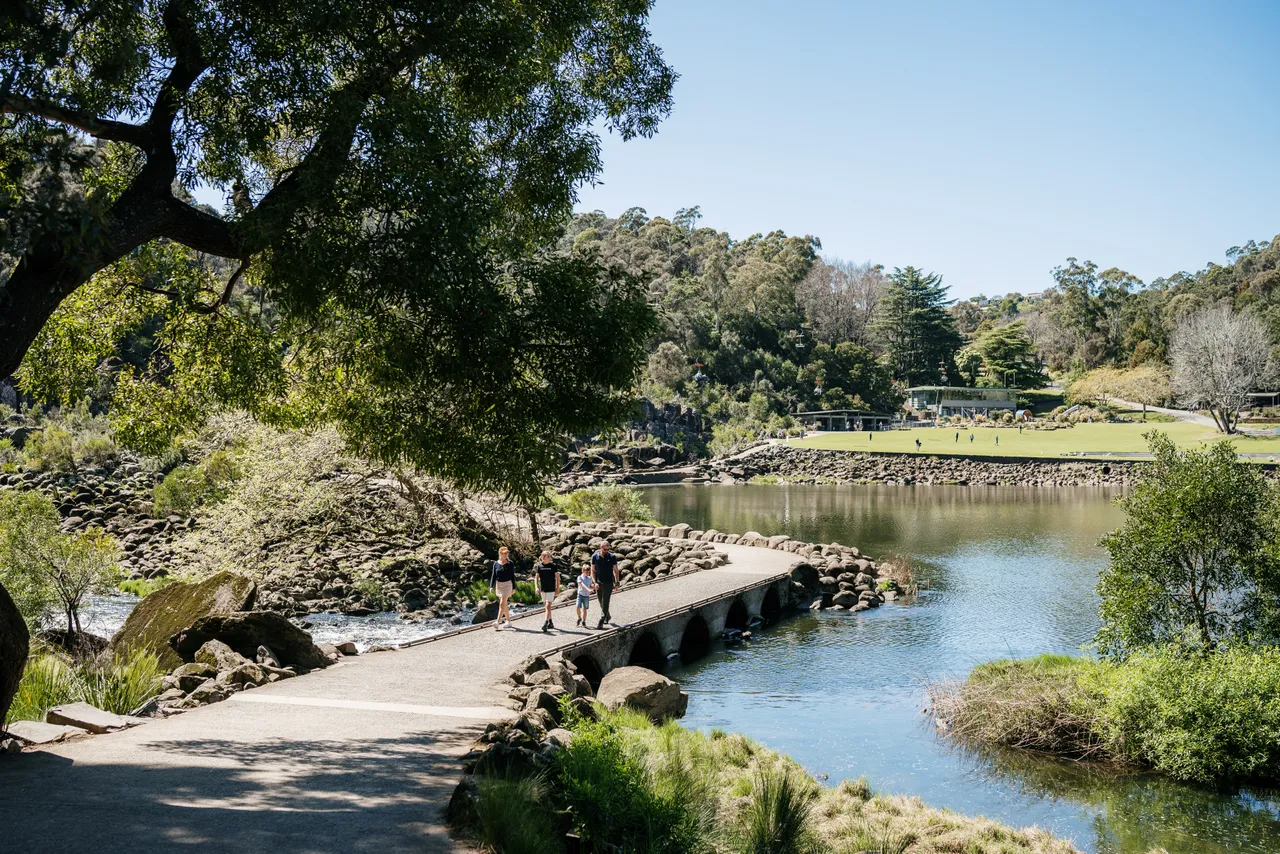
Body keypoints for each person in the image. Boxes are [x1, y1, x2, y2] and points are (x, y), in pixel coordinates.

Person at [590, 540, 622, 629]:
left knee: (606, 601)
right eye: (605, 549)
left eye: (608, 549)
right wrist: (594, 582)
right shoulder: (594, 557)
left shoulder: (612, 557)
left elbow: (616, 570)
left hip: (609, 582)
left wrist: (617, 582)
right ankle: (607, 615)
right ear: (600, 548)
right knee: (600, 601)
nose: (606, 551)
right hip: (598, 582)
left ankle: (602, 619)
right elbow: (592, 570)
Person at [489, 545, 516, 630]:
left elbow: (512, 576)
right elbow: (493, 575)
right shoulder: (496, 564)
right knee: (504, 604)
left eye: (507, 553)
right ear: (500, 554)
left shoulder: (510, 563)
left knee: (502, 602)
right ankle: (508, 621)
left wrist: (514, 588)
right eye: (504, 554)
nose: (506, 555)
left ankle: (497, 621)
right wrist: (491, 586)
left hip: (508, 584)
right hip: (499, 585)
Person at [535, 550, 560, 632]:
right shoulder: (539, 566)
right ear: (543, 558)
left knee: (548, 605)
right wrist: (536, 587)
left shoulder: (553, 566)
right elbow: (536, 578)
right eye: (548, 556)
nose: (550, 558)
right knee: (546, 606)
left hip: (551, 589)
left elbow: (557, 578)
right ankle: (551, 622)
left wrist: (557, 589)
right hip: (543, 589)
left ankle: (545, 623)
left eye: (550, 556)